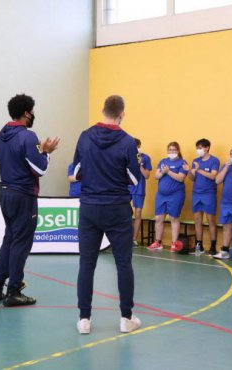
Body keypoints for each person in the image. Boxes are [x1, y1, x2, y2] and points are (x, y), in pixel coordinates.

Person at [72, 95, 142, 334]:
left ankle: (84, 319)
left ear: (103, 110)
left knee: (87, 263)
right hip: (117, 208)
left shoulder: (85, 136)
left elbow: (77, 171)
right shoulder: (128, 141)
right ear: (122, 113)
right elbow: (134, 178)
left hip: (90, 207)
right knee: (123, 264)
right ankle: (126, 318)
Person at [0, 94, 60, 306]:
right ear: (26, 113)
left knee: (9, 239)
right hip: (23, 195)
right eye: (33, 111)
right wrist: (46, 152)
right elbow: (39, 168)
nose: (34, 114)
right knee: (21, 242)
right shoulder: (28, 136)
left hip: (5, 192)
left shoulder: (2, 134)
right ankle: (14, 291)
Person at [147, 142, 188, 252]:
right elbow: (156, 176)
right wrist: (162, 172)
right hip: (161, 195)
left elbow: (180, 178)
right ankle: (158, 242)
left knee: (174, 218)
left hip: (175, 195)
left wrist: (168, 171)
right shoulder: (163, 161)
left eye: (174, 150)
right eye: (169, 150)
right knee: (158, 218)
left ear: (178, 151)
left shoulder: (182, 162)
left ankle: (174, 244)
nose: (171, 152)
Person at [188, 139, 221, 256]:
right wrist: (189, 172)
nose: (198, 150)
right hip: (196, 193)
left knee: (211, 220)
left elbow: (213, 176)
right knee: (197, 220)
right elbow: (192, 178)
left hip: (209, 193)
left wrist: (199, 170)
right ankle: (199, 245)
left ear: (207, 148)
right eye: (197, 148)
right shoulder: (195, 161)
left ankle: (213, 246)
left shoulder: (214, 160)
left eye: (200, 147)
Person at [129, 138, 152, 247]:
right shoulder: (126, 156)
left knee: (138, 213)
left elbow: (147, 175)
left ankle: (134, 238)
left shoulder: (146, 158)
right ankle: (124, 237)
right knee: (125, 213)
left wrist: (140, 165)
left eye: (137, 147)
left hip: (139, 189)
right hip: (126, 188)